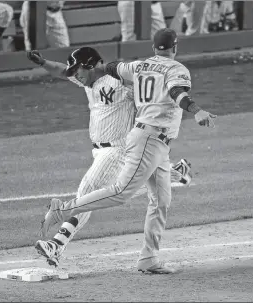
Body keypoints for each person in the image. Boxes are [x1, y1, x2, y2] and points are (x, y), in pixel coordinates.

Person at [38, 28, 216, 274]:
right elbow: (175, 91)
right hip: (142, 140)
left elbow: (118, 70)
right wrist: (196, 110)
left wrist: (109, 68)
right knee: (120, 192)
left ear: (154, 48)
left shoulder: (135, 71)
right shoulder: (171, 70)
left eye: (79, 70)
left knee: (159, 200)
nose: (77, 75)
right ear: (174, 48)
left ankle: (148, 257)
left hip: (138, 145)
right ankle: (62, 215)